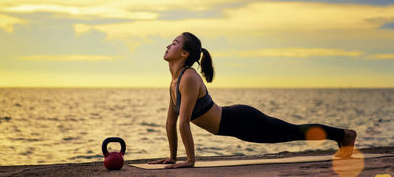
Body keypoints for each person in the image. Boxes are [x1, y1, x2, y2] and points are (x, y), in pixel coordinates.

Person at [149, 32, 357, 169]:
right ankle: (341, 136)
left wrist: (190, 161)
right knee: (290, 133)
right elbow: (170, 122)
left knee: (292, 131)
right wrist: (173, 157)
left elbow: (183, 122)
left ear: (184, 53)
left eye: (175, 43)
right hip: (236, 126)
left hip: (242, 120)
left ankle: (344, 135)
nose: (168, 45)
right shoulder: (174, 81)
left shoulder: (189, 78)